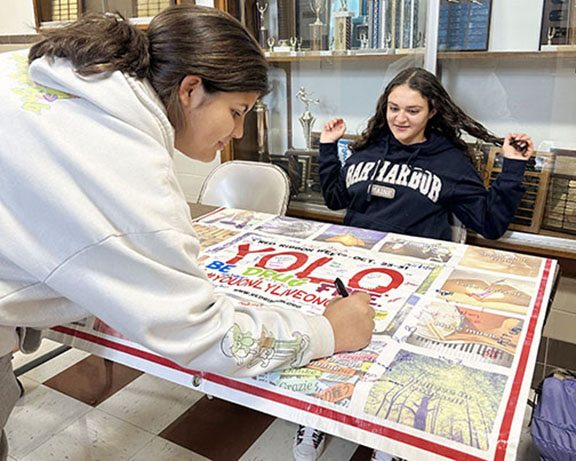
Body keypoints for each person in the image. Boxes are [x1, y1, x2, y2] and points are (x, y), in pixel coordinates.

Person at [0, 6, 375, 460]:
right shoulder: (126, 167)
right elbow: (204, 335)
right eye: (236, 111)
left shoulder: (54, 74)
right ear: (191, 89)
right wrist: (328, 331)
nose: (237, 130)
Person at [292, 67, 533, 461]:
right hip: (353, 268)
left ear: (433, 111)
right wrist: (327, 147)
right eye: (393, 108)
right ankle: (315, 417)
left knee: (395, 361)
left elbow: (490, 224)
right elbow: (337, 199)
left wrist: (512, 167)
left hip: (414, 280)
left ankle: (391, 439)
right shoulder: (368, 148)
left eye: (412, 110)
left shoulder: (449, 162)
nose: (400, 118)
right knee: (329, 342)